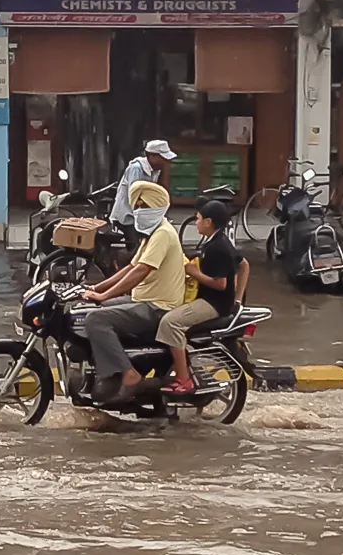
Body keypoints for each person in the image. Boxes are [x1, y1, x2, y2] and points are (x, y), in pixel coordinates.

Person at [76, 180, 184, 406]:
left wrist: (105, 296)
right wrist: (96, 288)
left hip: (157, 307)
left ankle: (128, 374)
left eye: (145, 206)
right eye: (137, 206)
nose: (139, 212)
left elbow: (142, 271)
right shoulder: (152, 234)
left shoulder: (163, 234)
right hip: (143, 300)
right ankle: (106, 375)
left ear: (158, 207)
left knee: (96, 319)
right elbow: (131, 267)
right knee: (86, 311)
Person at [160, 198, 250, 396]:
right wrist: (237, 299)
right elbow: (244, 265)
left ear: (209, 222)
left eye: (198, 219)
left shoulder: (216, 248)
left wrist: (193, 272)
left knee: (169, 323)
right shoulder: (219, 241)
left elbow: (220, 284)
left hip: (213, 304)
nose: (195, 222)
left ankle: (184, 379)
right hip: (220, 302)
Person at [111, 138, 177, 233]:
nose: (165, 162)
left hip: (141, 215)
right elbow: (134, 195)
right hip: (127, 215)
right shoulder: (137, 168)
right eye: (162, 158)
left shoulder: (156, 169)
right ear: (152, 156)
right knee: (139, 242)